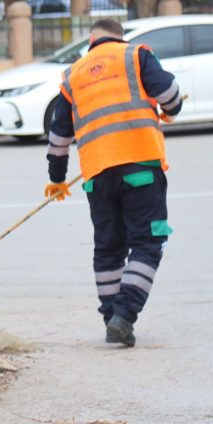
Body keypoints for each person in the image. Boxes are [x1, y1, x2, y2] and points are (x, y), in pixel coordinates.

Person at [44, 18, 182, 348]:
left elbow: (59, 134)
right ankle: (124, 316)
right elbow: (171, 95)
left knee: (108, 249)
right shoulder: (136, 56)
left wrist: (57, 179)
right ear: (119, 37)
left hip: (97, 176)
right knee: (148, 243)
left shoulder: (73, 75)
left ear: (92, 39)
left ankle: (111, 317)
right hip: (141, 168)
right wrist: (170, 110)